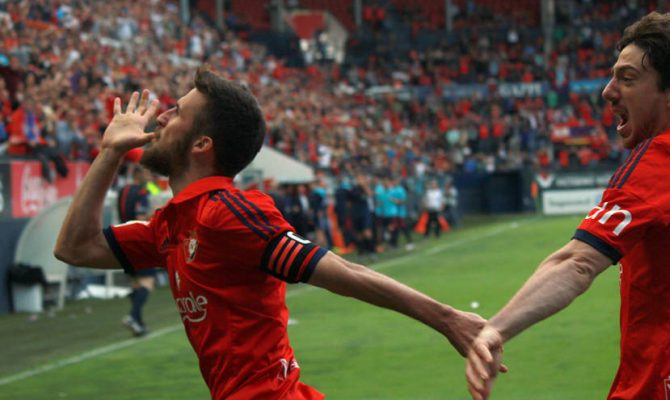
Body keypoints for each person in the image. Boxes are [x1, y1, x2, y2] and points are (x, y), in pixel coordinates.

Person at [54, 68, 484, 400]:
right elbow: (75, 247)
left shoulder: (226, 210)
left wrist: (446, 319)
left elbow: (337, 270)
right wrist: (110, 152)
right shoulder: (170, 224)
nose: (161, 115)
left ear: (202, 144)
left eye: (177, 111)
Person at [466, 12, 670, 400]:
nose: (608, 91)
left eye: (627, 78)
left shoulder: (664, 158)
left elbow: (577, 263)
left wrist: (495, 330)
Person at [117, 165, 158, 337]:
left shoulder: (122, 191)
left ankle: (139, 325)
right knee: (148, 283)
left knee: (136, 283)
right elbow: (141, 218)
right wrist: (156, 214)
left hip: (123, 239)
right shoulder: (142, 193)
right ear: (138, 174)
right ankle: (133, 316)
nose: (150, 176)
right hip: (139, 240)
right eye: (148, 172)